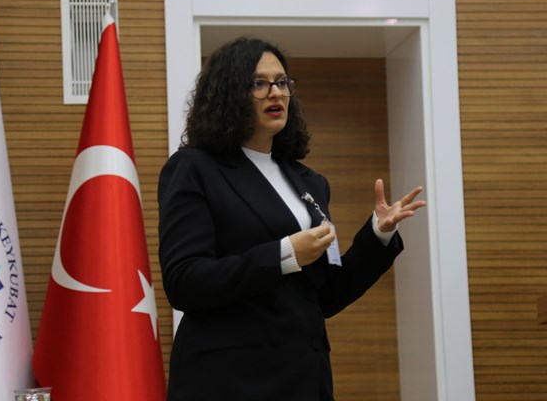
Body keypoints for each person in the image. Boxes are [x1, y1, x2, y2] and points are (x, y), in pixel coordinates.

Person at [157, 37, 426, 401]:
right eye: (259, 83)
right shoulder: (194, 168)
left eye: (282, 82)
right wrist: (283, 255)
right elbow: (184, 282)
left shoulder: (310, 182)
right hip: (231, 380)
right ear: (228, 93)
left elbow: (325, 296)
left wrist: (377, 235)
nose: (276, 93)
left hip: (304, 377)